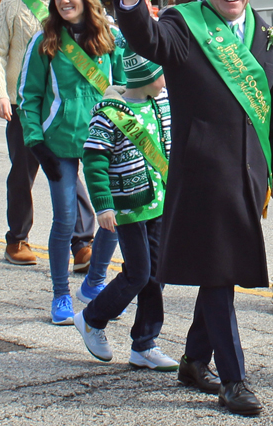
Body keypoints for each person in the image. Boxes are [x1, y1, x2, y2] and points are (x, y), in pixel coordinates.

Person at [108, 0, 273, 416]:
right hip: (204, 172)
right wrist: (132, 0)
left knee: (223, 271)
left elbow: (271, 100)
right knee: (219, 272)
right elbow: (148, 41)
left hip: (250, 174)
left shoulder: (265, 31)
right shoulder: (182, 23)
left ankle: (194, 360)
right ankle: (234, 380)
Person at [17, 0, 125, 324]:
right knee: (65, 219)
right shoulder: (44, 40)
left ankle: (94, 283)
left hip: (102, 141)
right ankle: (60, 295)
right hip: (58, 143)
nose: (63, 1)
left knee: (112, 217)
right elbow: (28, 96)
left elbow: (124, 88)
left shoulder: (111, 39)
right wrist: (36, 142)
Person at [0, 0, 95, 269]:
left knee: (69, 173)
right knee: (23, 173)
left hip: (64, 106)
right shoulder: (14, 2)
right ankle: (17, 239)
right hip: (25, 105)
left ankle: (82, 243)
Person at [75, 45, 178, 371]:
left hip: (159, 204)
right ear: (146, 76)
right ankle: (92, 318)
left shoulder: (161, 102)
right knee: (137, 274)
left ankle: (144, 344)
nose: (165, 80)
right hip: (128, 207)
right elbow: (93, 161)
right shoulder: (108, 112)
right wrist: (103, 206)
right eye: (160, 74)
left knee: (156, 276)